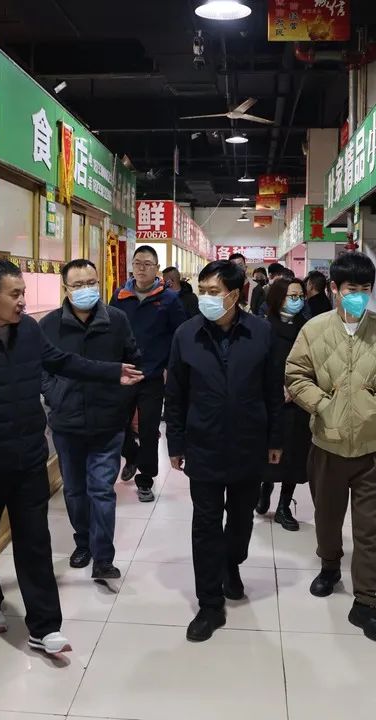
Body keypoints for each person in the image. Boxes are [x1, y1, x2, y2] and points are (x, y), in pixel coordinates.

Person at [0, 260, 143, 655]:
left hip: (28, 457)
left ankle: (45, 627)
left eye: (23, 292)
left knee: (35, 542)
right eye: (15, 294)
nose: (23, 301)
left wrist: (111, 372)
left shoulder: (28, 330)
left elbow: (63, 361)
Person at [285, 252, 376, 642]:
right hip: (326, 446)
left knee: (370, 527)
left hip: (373, 450)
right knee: (327, 517)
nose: (358, 295)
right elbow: (296, 374)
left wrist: (375, 405)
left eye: (364, 289)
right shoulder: (313, 330)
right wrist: (322, 405)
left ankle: (366, 602)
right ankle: (329, 566)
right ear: (334, 289)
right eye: (350, 289)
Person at [164, 259, 283, 643]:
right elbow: (175, 393)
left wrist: (276, 440)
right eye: (202, 291)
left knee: (242, 519)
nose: (206, 298)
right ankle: (209, 603)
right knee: (205, 523)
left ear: (234, 295)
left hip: (249, 443)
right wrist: (176, 442)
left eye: (213, 292)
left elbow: (273, 390)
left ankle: (232, 563)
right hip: (204, 444)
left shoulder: (261, 333)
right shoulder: (186, 334)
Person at [41, 259, 141, 581]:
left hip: (107, 423)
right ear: (66, 288)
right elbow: (40, 369)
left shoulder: (117, 320)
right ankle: (82, 542)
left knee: (101, 490)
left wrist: (121, 401)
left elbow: (133, 363)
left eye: (91, 283)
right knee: (74, 490)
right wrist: (55, 394)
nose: (86, 289)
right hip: (66, 423)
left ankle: (103, 558)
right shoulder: (49, 325)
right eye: (79, 284)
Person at [111, 246, 188, 502]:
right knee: (116, 423)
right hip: (124, 373)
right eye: (137, 263)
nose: (141, 268)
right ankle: (131, 455)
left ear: (157, 268)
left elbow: (179, 336)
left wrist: (170, 369)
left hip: (153, 375)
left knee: (148, 429)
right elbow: (109, 331)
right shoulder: (120, 296)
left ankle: (145, 479)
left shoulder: (169, 299)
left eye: (147, 263)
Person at [255, 278, 312, 531]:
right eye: (292, 296)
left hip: (298, 403)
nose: (297, 301)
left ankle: (284, 506)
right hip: (270, 402)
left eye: (300, 296)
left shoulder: (308, 329)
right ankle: (264, 487)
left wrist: (297, 387)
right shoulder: (262, 327)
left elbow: (315, 364)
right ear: (278, 298)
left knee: (294, 456)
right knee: (268, 453)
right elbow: (255, 364)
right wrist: (273, 388)